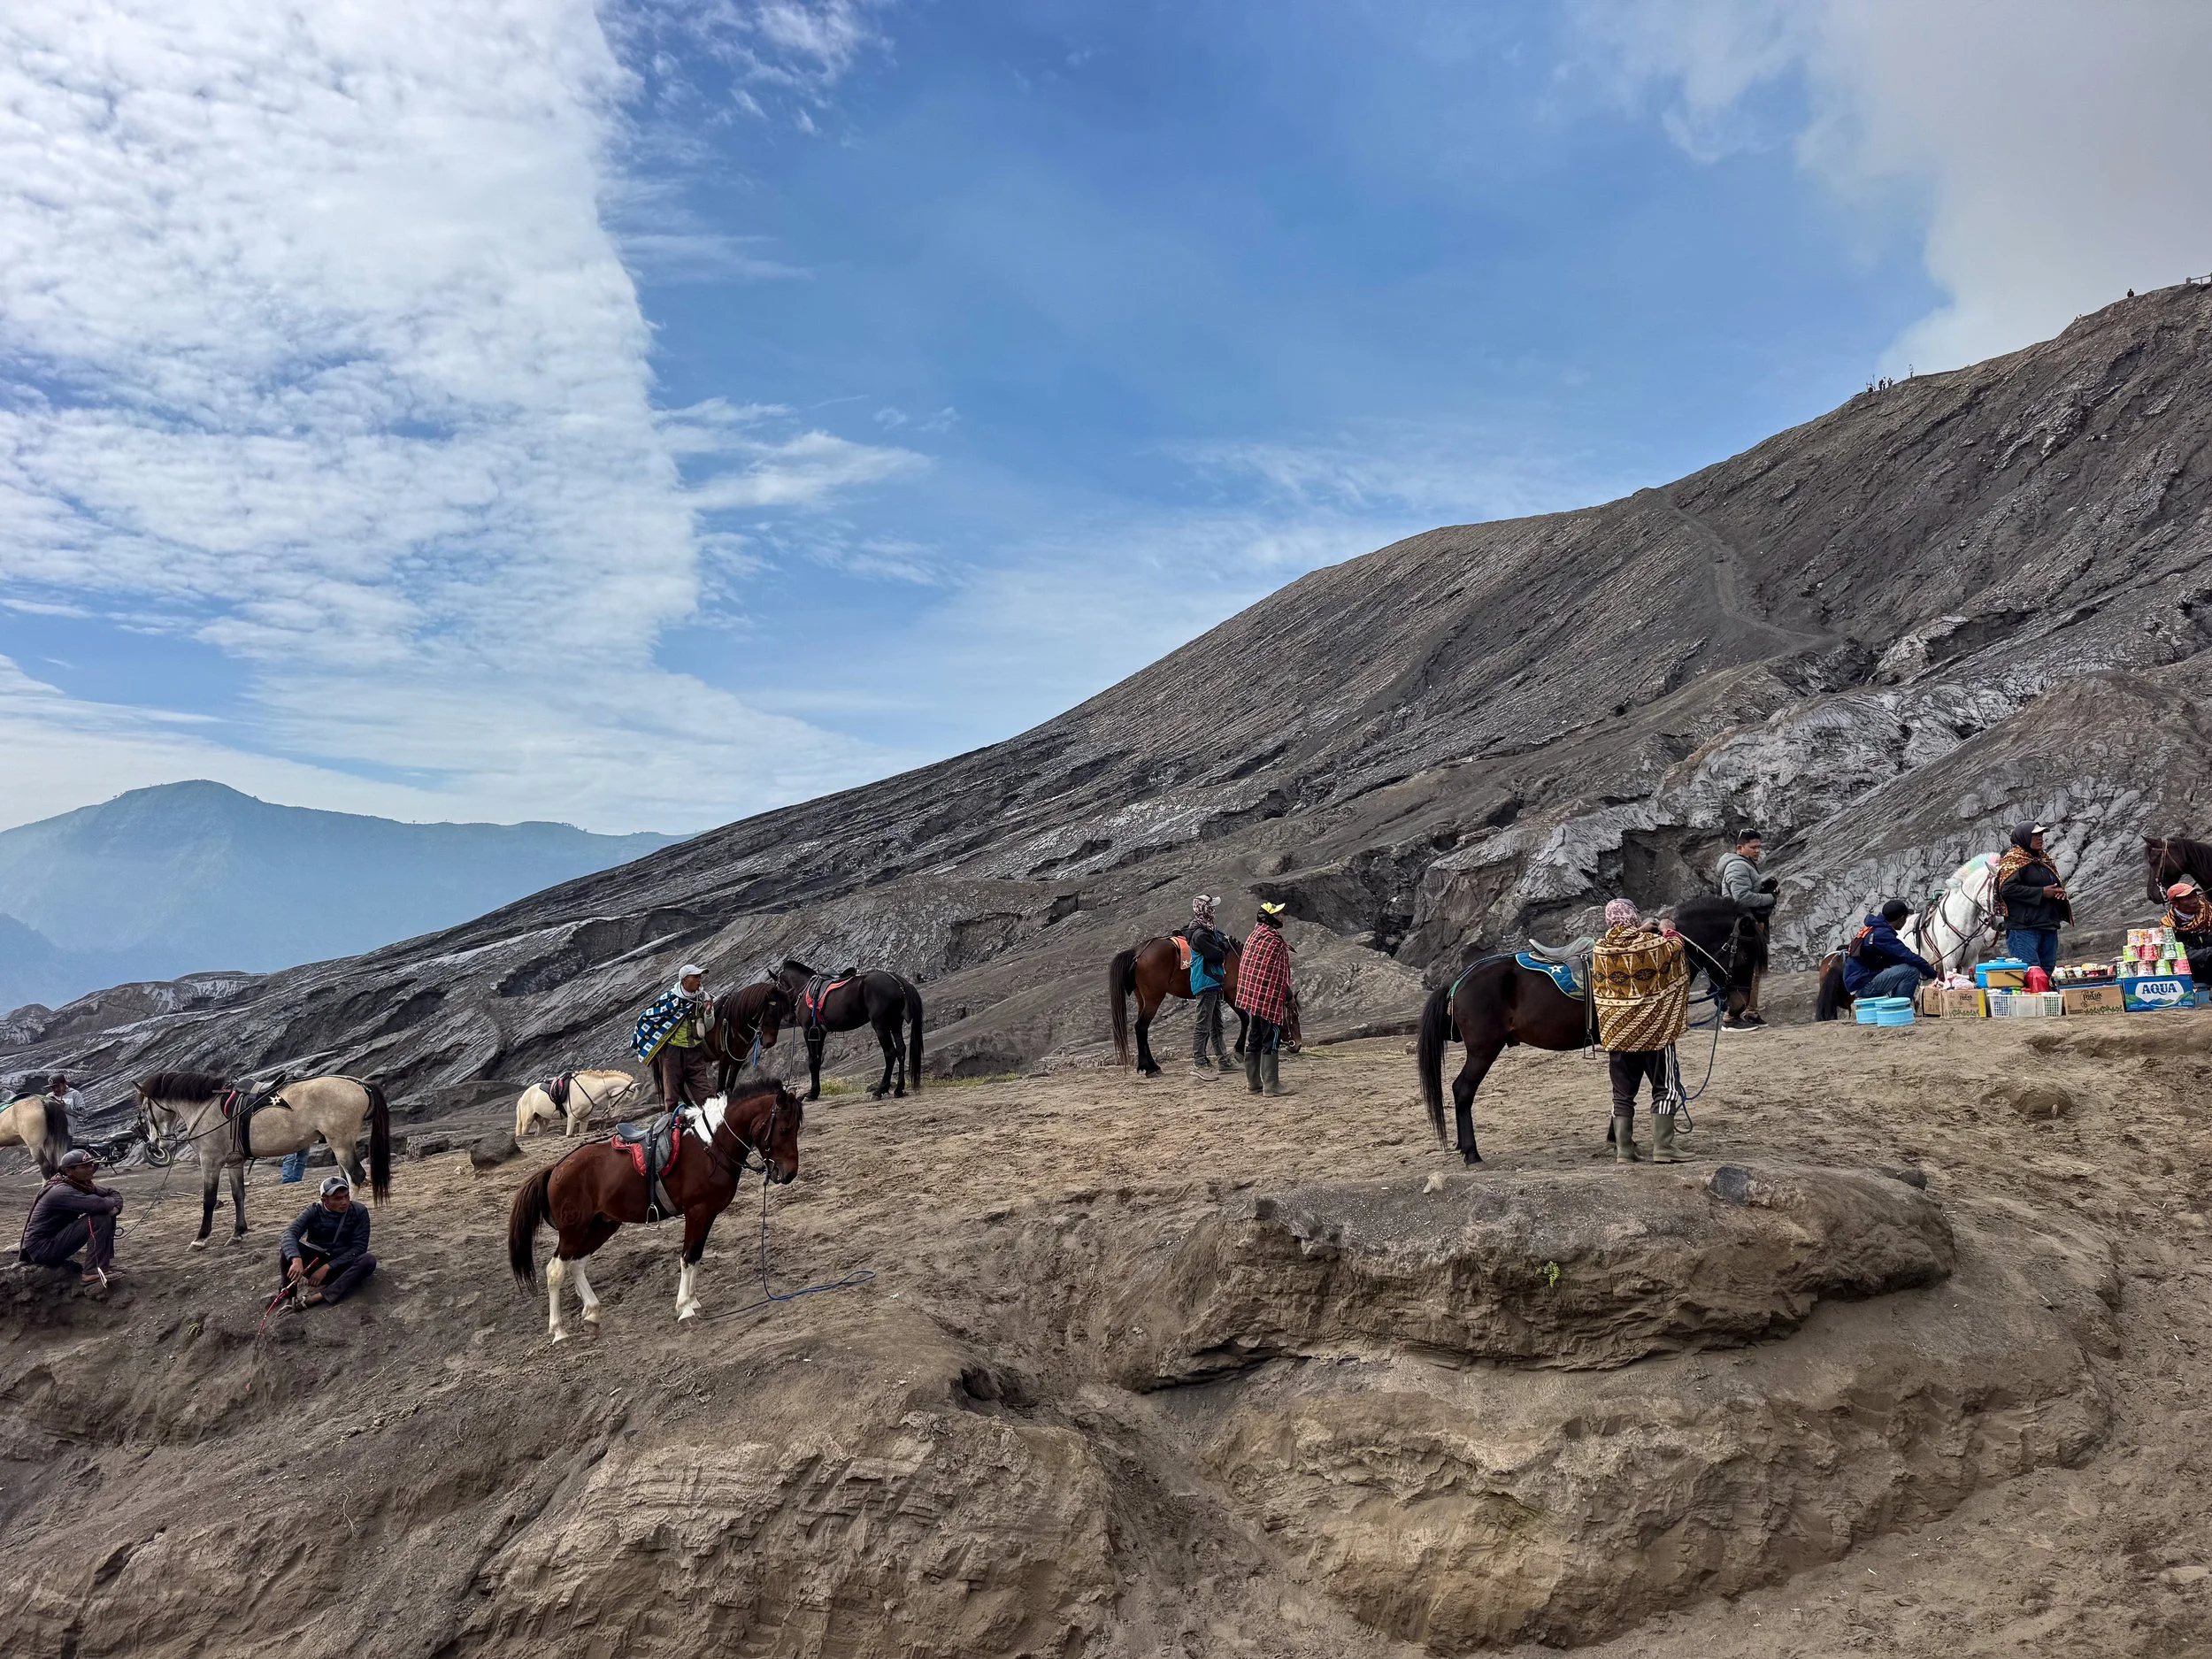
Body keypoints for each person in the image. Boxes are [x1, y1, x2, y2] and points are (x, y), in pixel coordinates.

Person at [1597, 900, 1683, 1164]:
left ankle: (1624, 1150)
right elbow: (1676, 948)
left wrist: (1640, 931)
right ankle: (1664, 1148)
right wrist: (1668, 929)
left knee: (1622, 1094)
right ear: (1633, 917)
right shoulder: (1654, 944)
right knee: (1665, 1087)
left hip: (1618, 1037)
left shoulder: (1600, 948)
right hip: (1655, 1034)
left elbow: (1627, 944)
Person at [19, 1148, 123, 1285]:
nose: (90, 1169)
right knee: (100, 1218)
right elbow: (101, 1204)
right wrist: (112, 1206)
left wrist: (114, 1207)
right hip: (42, 1249)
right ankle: (92, 1272)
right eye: (84, 1166)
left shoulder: (78, 1184)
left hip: (52, 1242)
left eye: (91, 1165)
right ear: (69, 1171)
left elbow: (112, 1193)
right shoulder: (61, 1191)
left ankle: (103, 1264)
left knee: (105, 1213)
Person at [280, 1175, 377, 1306]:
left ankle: (320, 1296)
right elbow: (289, 1233)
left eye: (346, 1196)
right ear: (324, 1199)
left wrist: (327, 1267)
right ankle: (289, 1296)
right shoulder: (313, 1211)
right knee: (287, 1251)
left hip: (343, 1266)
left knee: (368, 1260)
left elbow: (359, 1247)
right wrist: (296, 1259)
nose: (344, 1202)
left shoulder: (359, 1211)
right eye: (337, 1198)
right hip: (316, 1263)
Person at [1715, 830, 1778, 1030]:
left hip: (1748, 925)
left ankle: (1750, 1012)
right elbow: (1742, 897)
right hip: (1743, 927)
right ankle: (1733, 1015)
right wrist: (1770, 898)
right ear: (1740, 848)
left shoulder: (1744, 865)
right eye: (1753, 847)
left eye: (1759, 847)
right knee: (1746, 970)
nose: (1757, 851)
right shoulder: (1738, 867)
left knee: (1752, 971)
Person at [635, 963, 718, 1110]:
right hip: (673, 1052)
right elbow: (649, 1016)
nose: (700, 980)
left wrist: (708, 1012)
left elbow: (709, 1026)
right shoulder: (670, 999)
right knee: (671, 1091)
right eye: (696, 977)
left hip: (694, 1050)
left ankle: (712, 1119)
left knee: (704, 1091)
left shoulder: (704, 997)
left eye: (700, 977)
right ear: (685, 980)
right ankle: (672, 1124)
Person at [1233, 902, 1294, 1097]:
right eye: (1278, 914)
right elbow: (1277, 973)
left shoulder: (1255, 936)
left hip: (1254, 996)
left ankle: (1253, 1083)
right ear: (1270, 918)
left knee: (1255, 1035)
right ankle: (1271, 1085)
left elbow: (1253, 968)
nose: (1282, 917)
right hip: (1268, 998)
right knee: (1272, 1037)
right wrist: (1286, 993)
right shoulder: (1274, 941)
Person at [1995, 824, 2070, 978]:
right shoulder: (2013, 861)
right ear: (2024, 837)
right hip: (2024, 928)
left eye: (2041, 835)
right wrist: (2042, 892)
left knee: (2047, 969)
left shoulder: (2043, 860)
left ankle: (2046, 1001)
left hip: (2048, 924)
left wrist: (2058, 895)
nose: (2039, 839)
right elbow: (2007, 889)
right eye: (2035, 835)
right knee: (2030, 971)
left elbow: (2052, 886)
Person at [1843, 899, 1940, 1002]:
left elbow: (1897, 958)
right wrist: (1933, 974)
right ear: (1902, 918)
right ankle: (1899, 1007)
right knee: (1911, 971)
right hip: (1864, 984)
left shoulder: (1872, 928)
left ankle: (1895, 1004)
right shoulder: (1882, 934)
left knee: (1905, 967)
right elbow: (1907, 956)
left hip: (1857, 981)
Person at [1185, 895, 1232, 1079]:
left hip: (1211, 983)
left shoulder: (1206, 931)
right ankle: (1199, 1062)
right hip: (1206, 982)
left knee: (1216, 1025)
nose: (1213, 910)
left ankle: (1223, 1060)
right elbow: (1216, 956)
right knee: (1203, 1024)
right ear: (1204, 909)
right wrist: (1224, 947)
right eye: (1210, 907)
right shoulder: (1201, 934)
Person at [2165, 879, 2212, 981]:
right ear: (2175, 904)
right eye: (2189, 898)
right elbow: (2185, 953)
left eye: (2196, 896)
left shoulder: (2209, 913)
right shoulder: (2169, 926)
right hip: (2193, 975)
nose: (2195, 901)